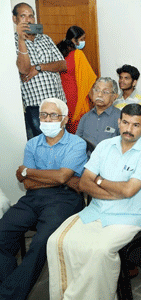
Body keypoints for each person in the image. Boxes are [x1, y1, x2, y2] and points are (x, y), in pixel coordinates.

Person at [47, 104, 141, 300]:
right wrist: (107, 191)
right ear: (118, 122)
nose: (129, 129)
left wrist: (99, 181)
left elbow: (128, 190)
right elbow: (84, 182)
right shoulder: (105, 146)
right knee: (56, 241)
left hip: (128, 216)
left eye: (136, 125)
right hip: (96, 209)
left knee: (99, 252)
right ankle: (64, 295)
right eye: (125, 122)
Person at [0, 98, 86, 299]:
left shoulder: (77, 143)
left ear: (64, 119)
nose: (47, 119)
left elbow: (61, 176)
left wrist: (29, 171)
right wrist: (61, 178)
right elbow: (28, 184)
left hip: (65, 200)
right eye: (43, 115)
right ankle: (11, 283)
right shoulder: (32, 144)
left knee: (40, 243)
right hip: (33, 198)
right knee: (2, 232)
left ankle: (8, 295)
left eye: (53, 115)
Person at [13, 2, 67, 139]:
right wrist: (21, 40)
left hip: (57, 101)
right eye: (23, 16)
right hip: (36, 106)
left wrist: (39, 67)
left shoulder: (45, 39)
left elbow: (62, 65)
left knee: (61, 140)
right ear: (15, 19)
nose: (28, 20)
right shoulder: (11, 42)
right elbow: (24, 70)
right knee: (42, 142)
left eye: (31, 16)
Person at [56, 25, 97, 133]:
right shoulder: (78, 54)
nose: (83, 42)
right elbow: (87, 80)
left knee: (65, 125)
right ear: (74, 40)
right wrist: (94, 100)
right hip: (76, 95)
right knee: (78, 127)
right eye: (82, 39)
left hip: (61, 95)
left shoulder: (58, 51)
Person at [76, 77, 121, 146]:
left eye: (105, 92)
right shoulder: (85, 117)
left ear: (114, 96)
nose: (99, 95)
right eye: (97, 90)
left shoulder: (120, 117)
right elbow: (77, 143)